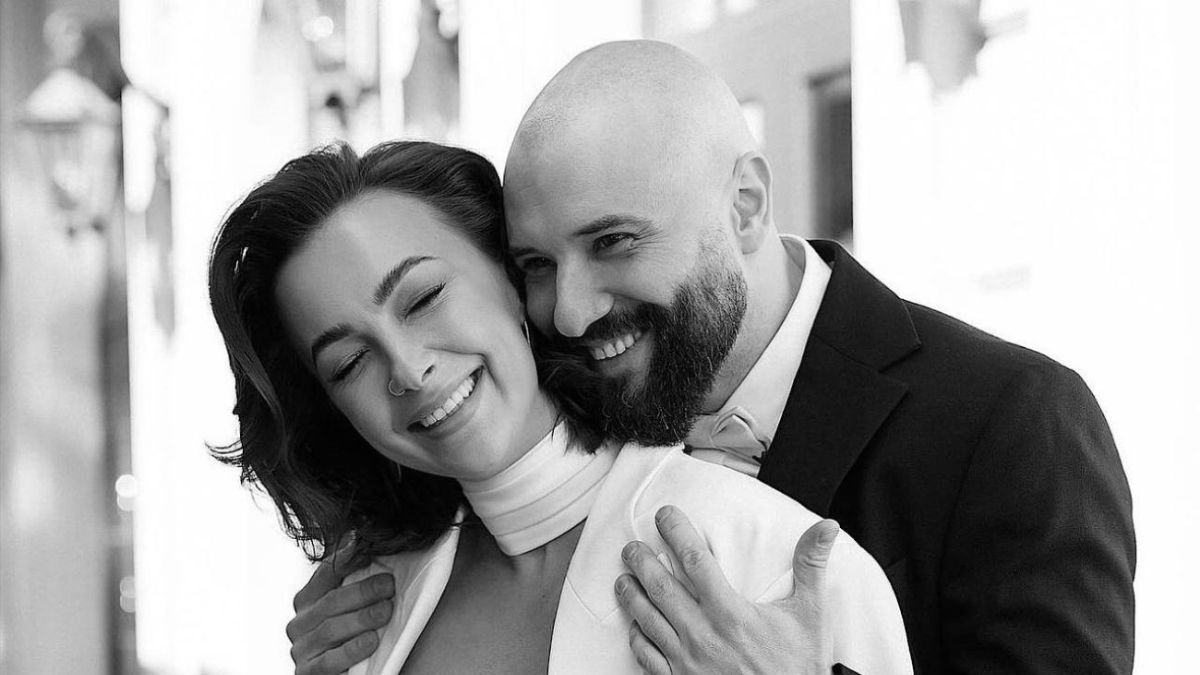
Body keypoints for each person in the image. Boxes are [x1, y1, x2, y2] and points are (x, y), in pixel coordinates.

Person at [288, 40, 1137, 674]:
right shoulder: (528, 402)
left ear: (746, 206)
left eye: (614, 242)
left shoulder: (1009, 419)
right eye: (536, 264)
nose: (570, 311)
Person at [209, 140, 912, 674]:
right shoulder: (364, 613)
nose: (408, 368)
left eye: (423, 298)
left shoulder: (774, 561)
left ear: (512, 277)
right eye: (348, 362)